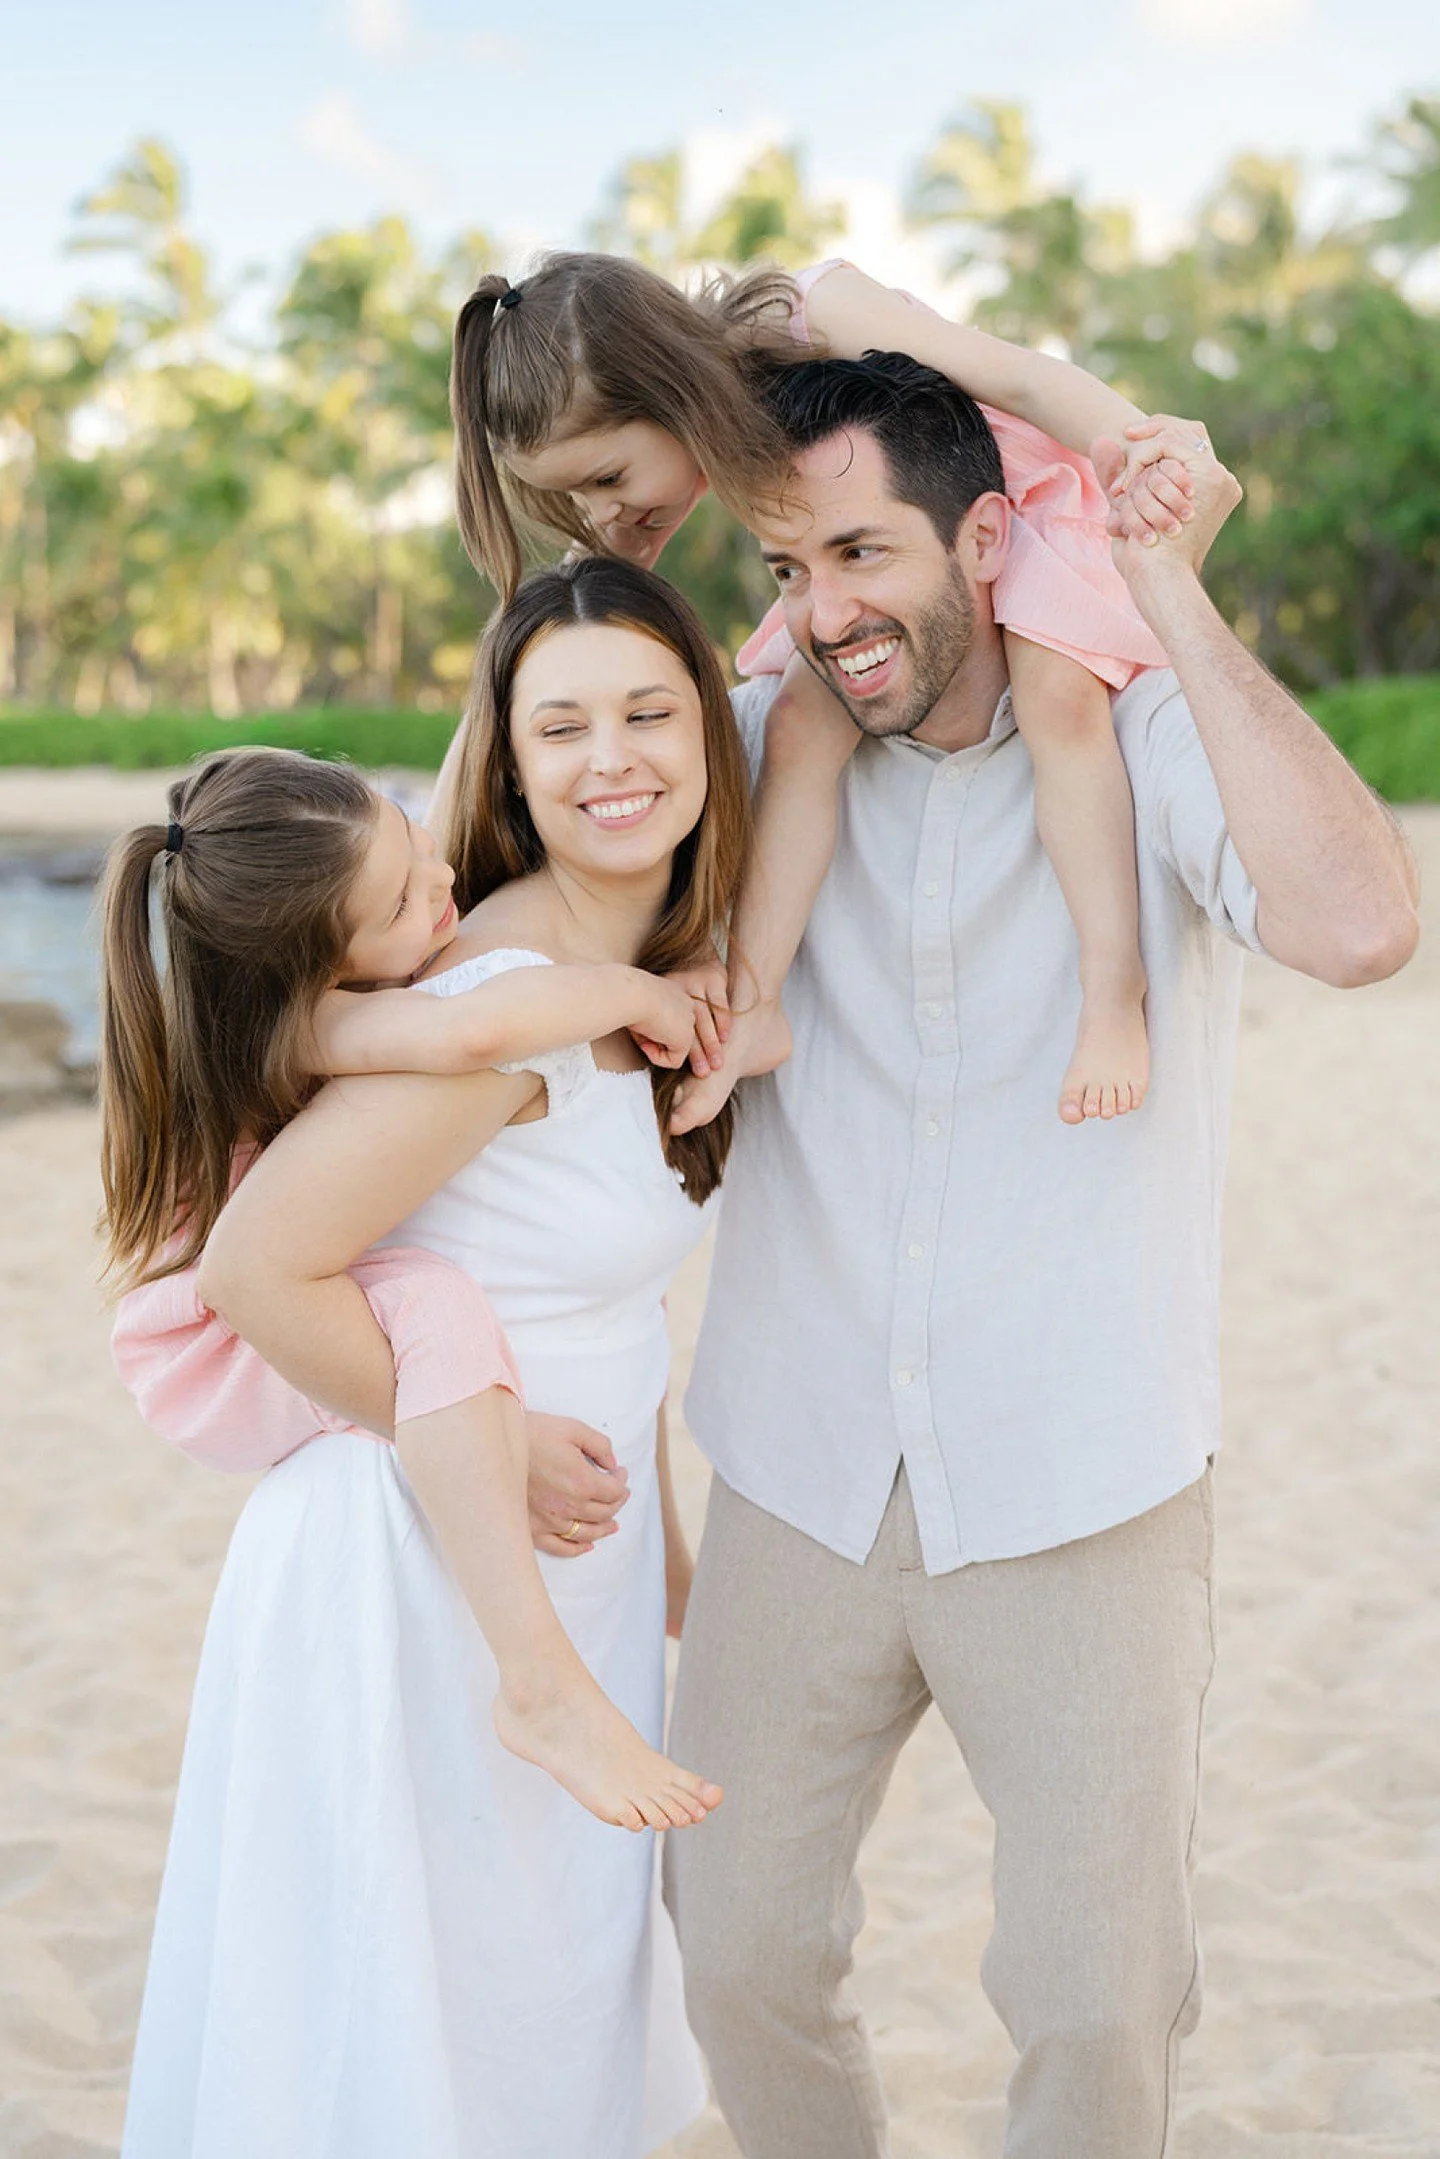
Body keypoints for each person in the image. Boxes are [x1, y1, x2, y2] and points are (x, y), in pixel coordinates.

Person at [656, 352, 1420, 2159]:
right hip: (797, 1467)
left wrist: (1167, 582)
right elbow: (484, 841)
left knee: (1096, 2005)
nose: (825, 610)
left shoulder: (1141, 728)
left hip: (1086, 1484)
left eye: (862, 552)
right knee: (733, 1950)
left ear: (988, 537)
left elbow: (1363, 920)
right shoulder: (761, 752)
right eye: (786, 570)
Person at [135, 558, 751, 2159]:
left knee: (532, 2023)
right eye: (564, 725)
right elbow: (259, 1264)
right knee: (406, 2040)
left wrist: (670, 1555)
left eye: (650, 710)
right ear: (510, 757)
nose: (612, 756)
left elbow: (606, 1309)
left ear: (711, 729)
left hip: (565, 1573)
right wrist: (478, 1427)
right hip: (414, 1573)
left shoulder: (640, 972)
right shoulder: (496, 1000)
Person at [445, 250, 1206, 1123]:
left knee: (1058, 703)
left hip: (1006, 504)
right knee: (804, 728)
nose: (604, 513)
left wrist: (1143, 447)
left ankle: (1113, 991)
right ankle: (756, 998)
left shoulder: (810, 311)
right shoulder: (698, 447)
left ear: (664, 392)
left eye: (608, 479)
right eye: (577, 495)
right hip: (875, 563)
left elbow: (1019, 379)